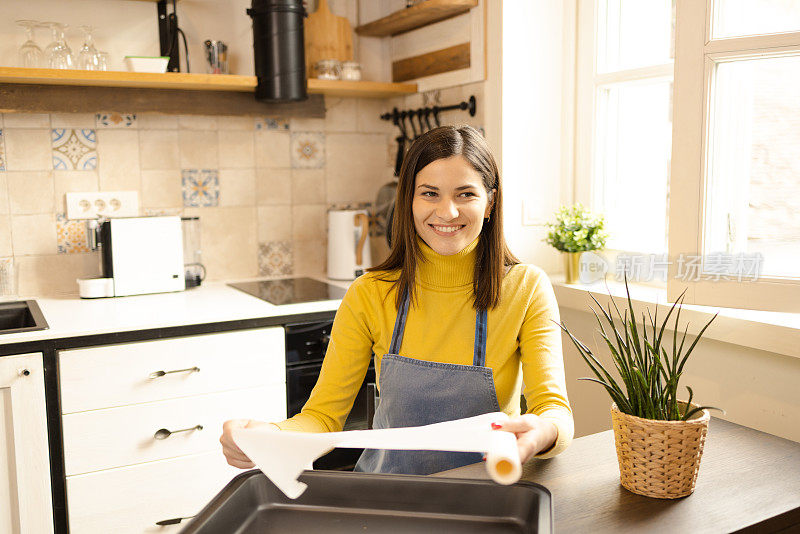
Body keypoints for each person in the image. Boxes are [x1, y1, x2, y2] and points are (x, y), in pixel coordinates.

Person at [221, 125, 573, 474]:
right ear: (409, 201)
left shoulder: (526, 287)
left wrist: (543, 431)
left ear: (490, 202)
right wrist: (271, 435)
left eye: (465, 194)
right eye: (430, 193)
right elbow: (322, 418)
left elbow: (553, 409)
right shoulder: (371, 292)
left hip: (485, 495)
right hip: (389, 491)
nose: (447, 212)